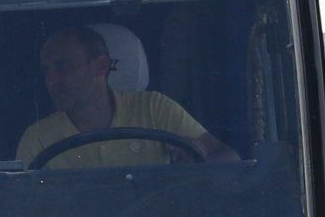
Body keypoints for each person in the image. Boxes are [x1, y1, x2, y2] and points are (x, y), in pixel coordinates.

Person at [15, 25, 236, 170]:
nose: (52, 80)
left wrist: (201, 159)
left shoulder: (154, 108)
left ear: (100, 66)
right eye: (46, 71)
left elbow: (230, 159)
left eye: (63, 66)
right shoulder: (37, 138)